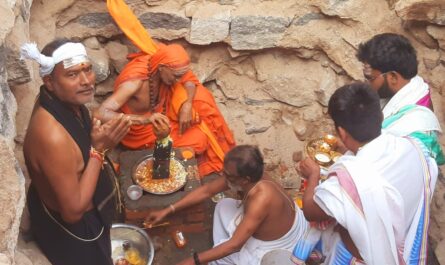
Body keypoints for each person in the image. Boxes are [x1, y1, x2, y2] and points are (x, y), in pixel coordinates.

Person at [292, 83, 437, 264]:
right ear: (381, 116)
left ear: (342, 133)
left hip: (364, 257)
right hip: (404, 242)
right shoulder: (412, 147)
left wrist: (313, 175)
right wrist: (348, 148)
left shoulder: (348, 179)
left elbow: (312, 213)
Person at [21, 39, 131, 265]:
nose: (86, 81)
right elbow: (72, 213)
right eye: (72, 75)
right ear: (49, 81)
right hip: (76, 232)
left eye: (87, 70)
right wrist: (99, 150)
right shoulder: (52, 136)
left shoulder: (65, 102)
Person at [94, 0, 235, 177]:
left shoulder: (163, 60)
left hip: (163, 119)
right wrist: (144, 120)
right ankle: (148, 158)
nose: (179, 79)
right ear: (161, 69)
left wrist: (187, 104)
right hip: (141, 132)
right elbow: (100, 113)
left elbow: (189, 80)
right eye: (175, 76)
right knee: (198, 141)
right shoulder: (134, 83)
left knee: (201, 104)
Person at [145, 145, 309, 265]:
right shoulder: (250, 176)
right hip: (272, 222)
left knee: (224, 255)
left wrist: (193, 261)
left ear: (244, 180)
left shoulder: (261, 199)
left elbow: (235, 246)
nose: (223, 176)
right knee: (223, 206)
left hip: (277, 245)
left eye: (228, 175)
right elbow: (207, 191)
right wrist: (167, 210)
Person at [357, 33, 443, 165]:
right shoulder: (407, 89)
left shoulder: (417, 129)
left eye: (371, 78)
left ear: (393, 77)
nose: (367, 84)